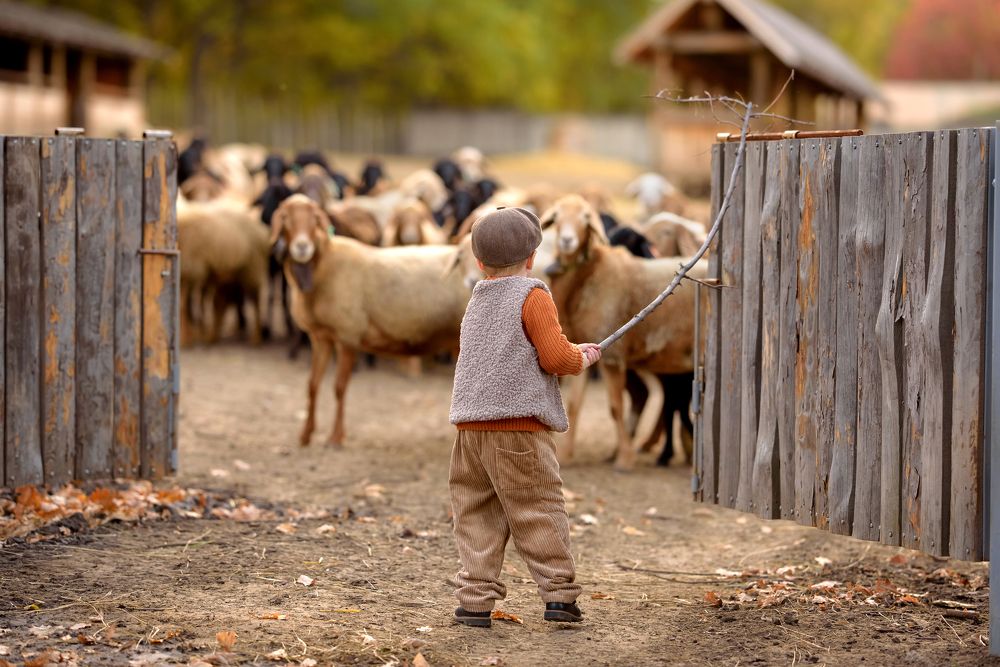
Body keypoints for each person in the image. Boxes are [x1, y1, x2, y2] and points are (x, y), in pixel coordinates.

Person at [447, 206, 602, 628]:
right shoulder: (532, 294)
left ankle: (474, 604)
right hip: (518, 427)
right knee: (537, 507)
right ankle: (559, 597)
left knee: (476, 514)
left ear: (479, 262)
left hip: (469, 428)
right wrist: (581, 357)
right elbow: (554, 357)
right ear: (533, 257)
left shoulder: (477, 298)